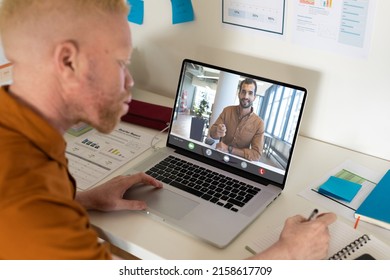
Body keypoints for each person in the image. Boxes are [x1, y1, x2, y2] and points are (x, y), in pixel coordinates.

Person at [0, 0, 336, 260]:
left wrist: (80, 199)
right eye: (120, 62)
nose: (130, 81)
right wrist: (287, 255)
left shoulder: (17, 130)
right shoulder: (28, 203)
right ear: (68, 61)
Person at [209, 78, 264, 161]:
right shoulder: (227, 111)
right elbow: (212, 134)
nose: (246, 96)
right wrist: (217, 131)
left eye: (250, 93)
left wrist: (229, 149)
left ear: (254, 97)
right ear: (239, 94)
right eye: (243, 92)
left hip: (240, 163)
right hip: (219, 157)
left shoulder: (259, 123)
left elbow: (256, 155)